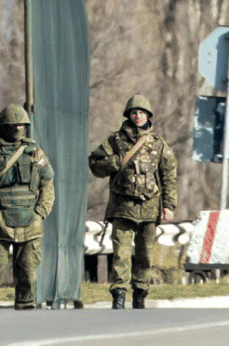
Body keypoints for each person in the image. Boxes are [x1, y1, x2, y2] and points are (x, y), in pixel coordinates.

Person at [88, 95, 178, 310]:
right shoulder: (115, 140)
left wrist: (169, 205)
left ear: (148, 115)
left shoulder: (158, 143)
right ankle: (119, 294)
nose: (138, 116)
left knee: (145, 254)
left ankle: (140, 293)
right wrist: (115, 162)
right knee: (120, 254)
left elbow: (169, 175)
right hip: (122, 207)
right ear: (128, 115)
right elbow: (94, 163)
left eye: (142, 113)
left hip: (149, 207)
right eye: (134, 113)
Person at [0, 104, 55, 310]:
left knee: (28, 274)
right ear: (4, 126)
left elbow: (48, 184)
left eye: (22, 125)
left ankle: (26, 310)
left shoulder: (35, 153)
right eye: (14, 125)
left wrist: (40, 213)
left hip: (30, 224)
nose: (18, 128)